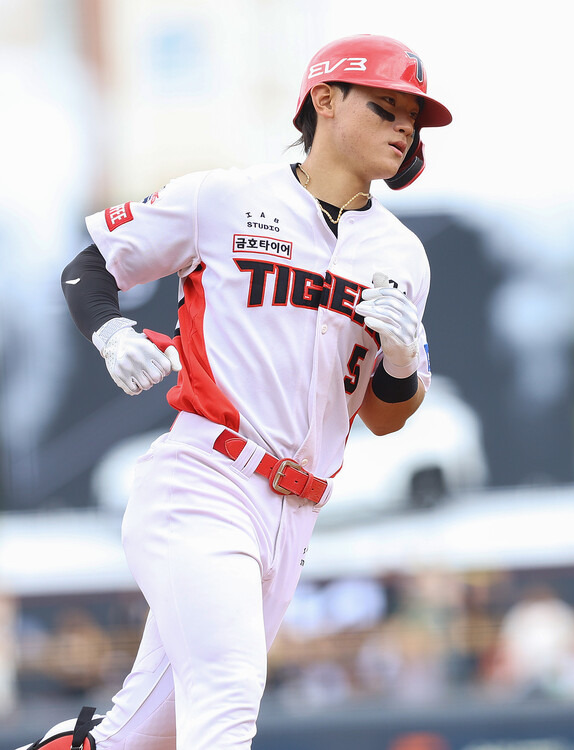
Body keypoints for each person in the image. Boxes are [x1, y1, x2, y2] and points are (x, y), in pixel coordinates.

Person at [23, 33, 451, 750]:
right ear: (324, 100)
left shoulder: (403, 253)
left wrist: (403, 362)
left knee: (140, 734)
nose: (404, 125)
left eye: (413, 115)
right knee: (226, 693)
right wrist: (109, 334)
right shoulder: (225, 197)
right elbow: (90, 265)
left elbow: (387, 417)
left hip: (297, 513)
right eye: (386, 105)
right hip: (206, 480)